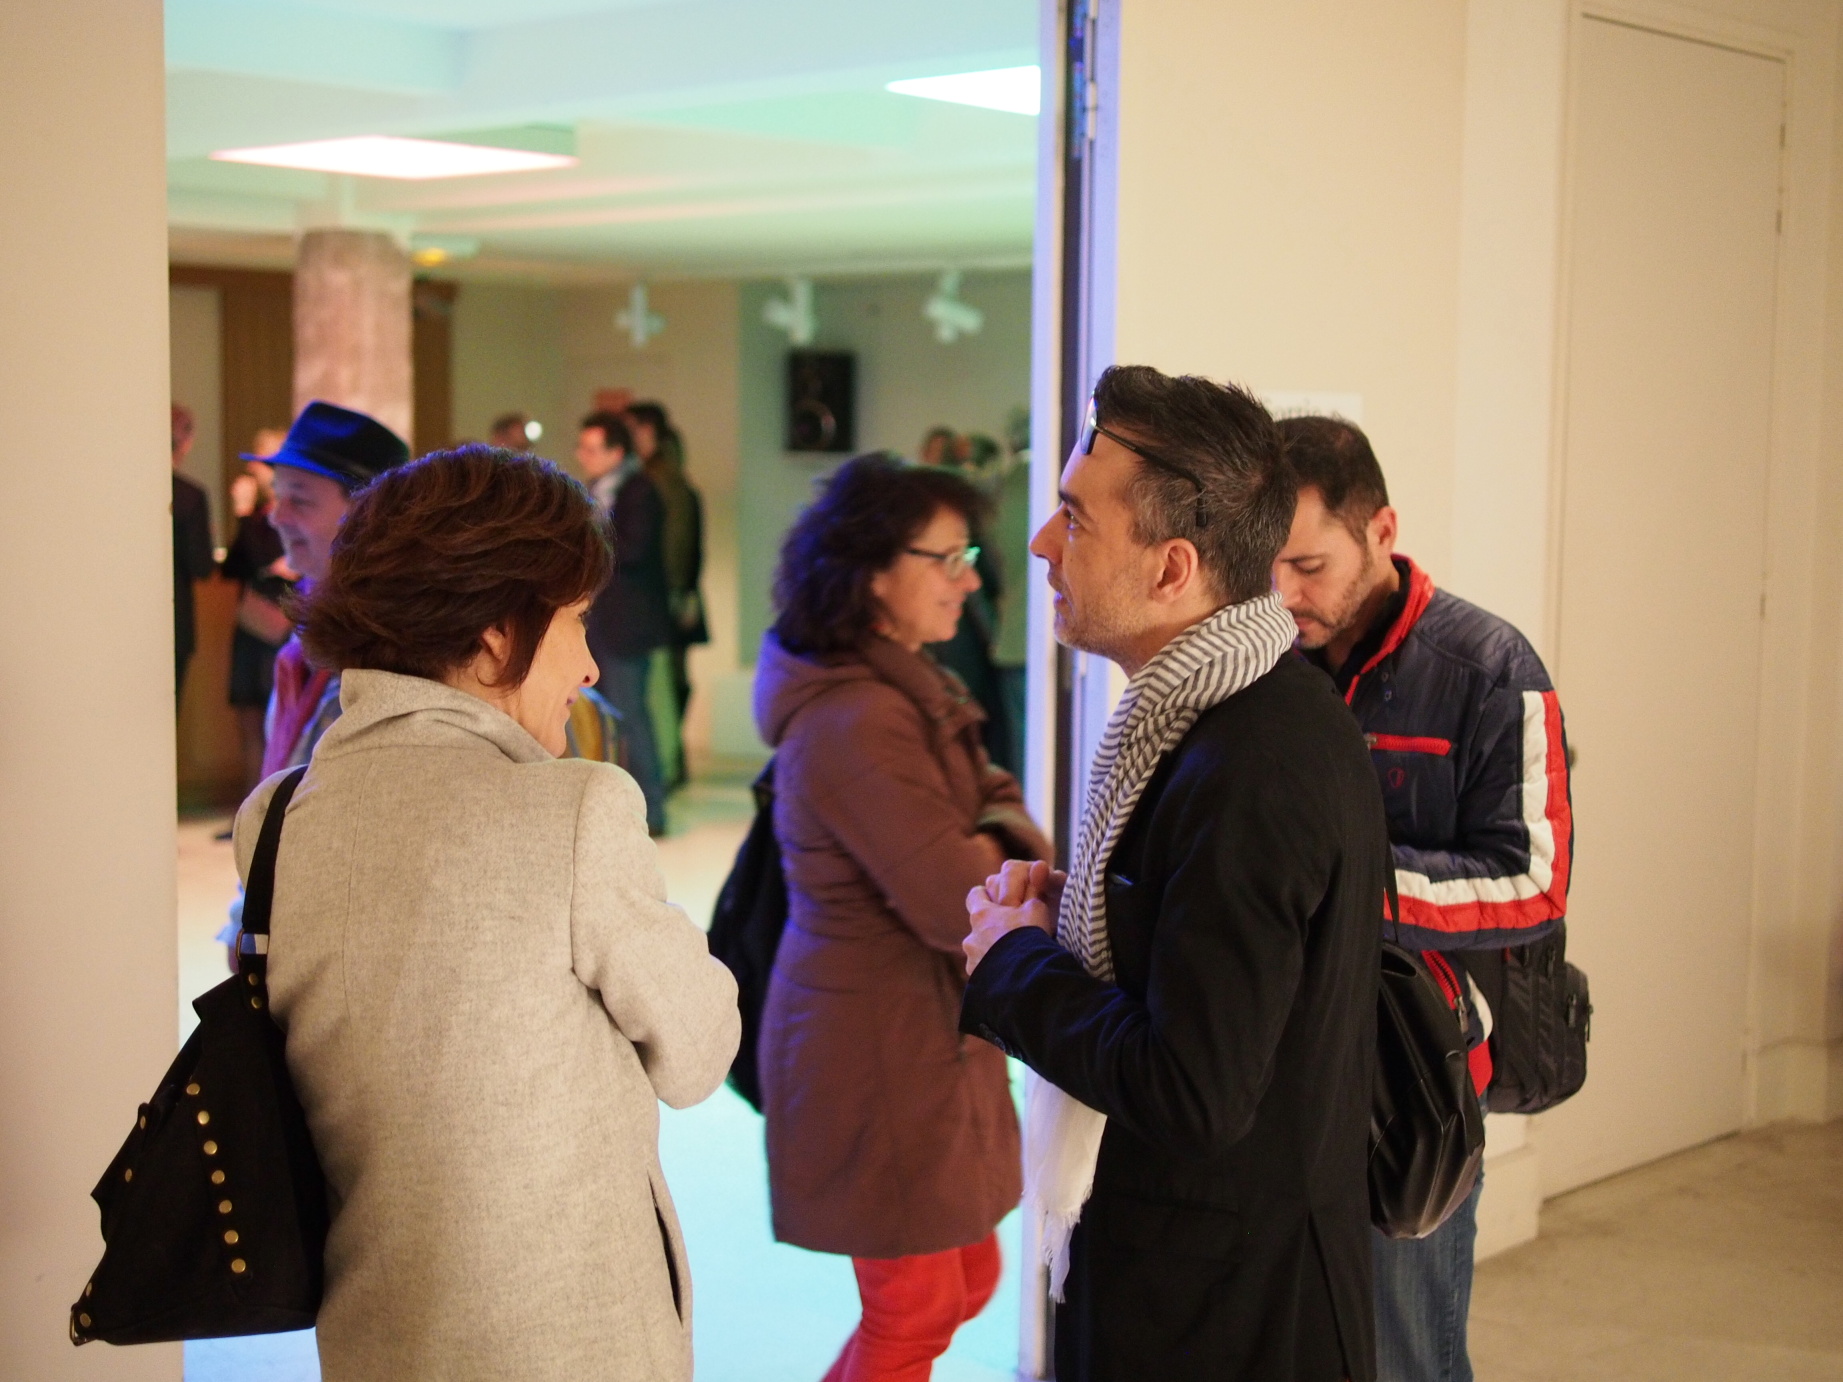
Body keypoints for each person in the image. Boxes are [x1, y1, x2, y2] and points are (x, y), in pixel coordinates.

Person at [233, 445, 739, 1380]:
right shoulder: (573, 810)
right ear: (500, 635)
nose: (588, 664)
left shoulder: (276, 817)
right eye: (575, 621)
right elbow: (699, 1053)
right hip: (570, 1340)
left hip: (373, 1334)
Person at [959, 365, 1386, 1382]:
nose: (1041, 543)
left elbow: (1194, 1088)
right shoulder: (1229, 715)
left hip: (1224, 1318)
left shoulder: (1249, 760)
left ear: (1172, 568)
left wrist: (1014, 962)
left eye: (1074, 517)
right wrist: (1079, 909)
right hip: (1196, 1284)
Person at [1273, 416, 1574, 1382]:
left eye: (1308, 566)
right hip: (1273, 1059)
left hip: (1411, 1075)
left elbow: (1533, 883)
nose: (1284, 595)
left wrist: (1343, 885)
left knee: (1400, 1353)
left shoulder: (1491, 669)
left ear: (1382, 531)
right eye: (1266, 566)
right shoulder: (1260, 658)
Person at [754, 453, 1053, 1382]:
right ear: (871, 573)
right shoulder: (859, 719)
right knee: (914, 1305)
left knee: (965, 1279)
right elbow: (957, 899)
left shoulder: (909, 686)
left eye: (969, 555)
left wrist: (994, 834)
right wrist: (1004, 845)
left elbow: (993, 806)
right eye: (946, 557)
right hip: (872, 1046)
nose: (969, 578)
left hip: (918, 1030)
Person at [260, 401, 411, 777]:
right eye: (278, 496)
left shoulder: (389, 644)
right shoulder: (312, 621)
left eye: (299, 500)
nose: (277, 517)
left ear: (365, 513)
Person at [577, 410, 673, 834]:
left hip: (627, 625)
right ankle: (616, 809)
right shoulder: (597, 491)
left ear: (616, 452)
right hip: (604, 622)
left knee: (630, 716)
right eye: (582, 447)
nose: (583, 456)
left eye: (592, 448)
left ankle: (652, 810)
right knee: (606, 717)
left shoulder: (638, 490)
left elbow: (633, 550)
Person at [627, 401, 707, 786]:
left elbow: (676, 543)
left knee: (663, 685)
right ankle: (669, 763)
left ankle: (667, 766)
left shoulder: (658, 481)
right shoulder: (663, 477)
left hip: (661, 598)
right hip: (668, 596)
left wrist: (677, 593)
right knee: (667, 683)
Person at [222, 429, 296, 793]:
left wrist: (243, 513)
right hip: (253, 625)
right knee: (248, 717)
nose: (254, 469)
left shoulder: (290, 510)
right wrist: (244, 516)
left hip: (280, 628)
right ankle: (250, 804)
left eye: (264, 462)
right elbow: (234, 567)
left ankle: (273, 803)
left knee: (276, 721)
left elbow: (264, 557)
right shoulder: (259, 515)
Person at [170, 403, 215, 703]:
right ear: (185, 441)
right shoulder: (190, 496)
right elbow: (201, 566)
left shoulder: (126, 493)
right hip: (176, 619)